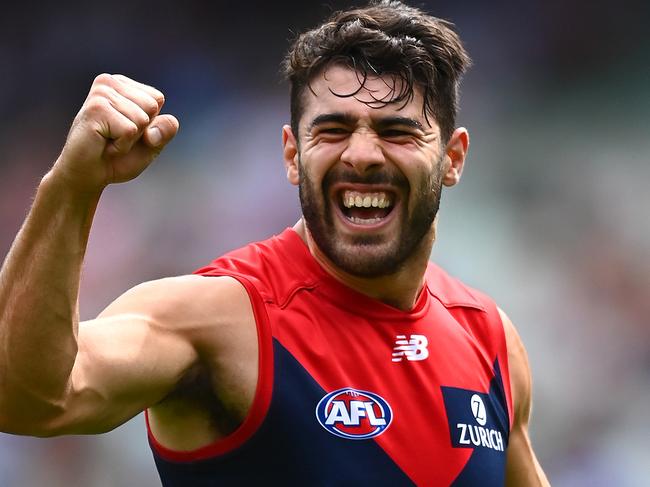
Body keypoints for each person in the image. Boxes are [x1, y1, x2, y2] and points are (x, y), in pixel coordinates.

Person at [0, 1, 550, 485]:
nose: (361, 155)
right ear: (292, 155)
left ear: (452, 158)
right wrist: (70, 188)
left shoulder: (489, 337)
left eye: (396, 131)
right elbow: (25, 400)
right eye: (332, 130)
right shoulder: (215, 317)